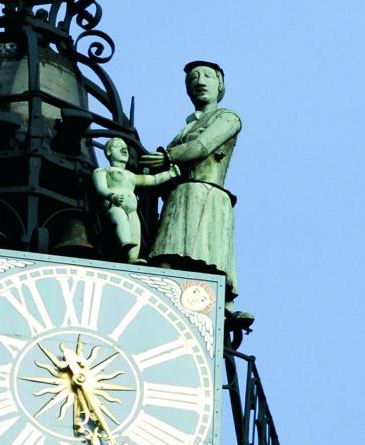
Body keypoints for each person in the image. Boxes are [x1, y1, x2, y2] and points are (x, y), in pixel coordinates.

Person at [140, 61, 249, 320]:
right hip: (181, 197)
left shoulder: (227, 118)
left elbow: (201, 147)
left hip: (206, 195)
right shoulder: (183, 130)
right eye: (193, 78)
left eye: (207, 76)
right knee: (166, 260)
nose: (199, 81)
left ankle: (222, 309)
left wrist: (166, 157)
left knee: (207, 262)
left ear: (220, 84)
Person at [92, 138, 179, 263]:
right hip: (115, 204)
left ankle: (132, 258)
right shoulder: (102, 171)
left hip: (132, 209)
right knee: (120, 219)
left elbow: (154, 179)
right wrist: (111, 196)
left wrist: (170, 174)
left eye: (125, 147)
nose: (124, 149)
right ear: (108, 152)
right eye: (117, 146)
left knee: (135, 230)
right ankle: (124, 244)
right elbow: (101, 188)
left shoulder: (132, 176)